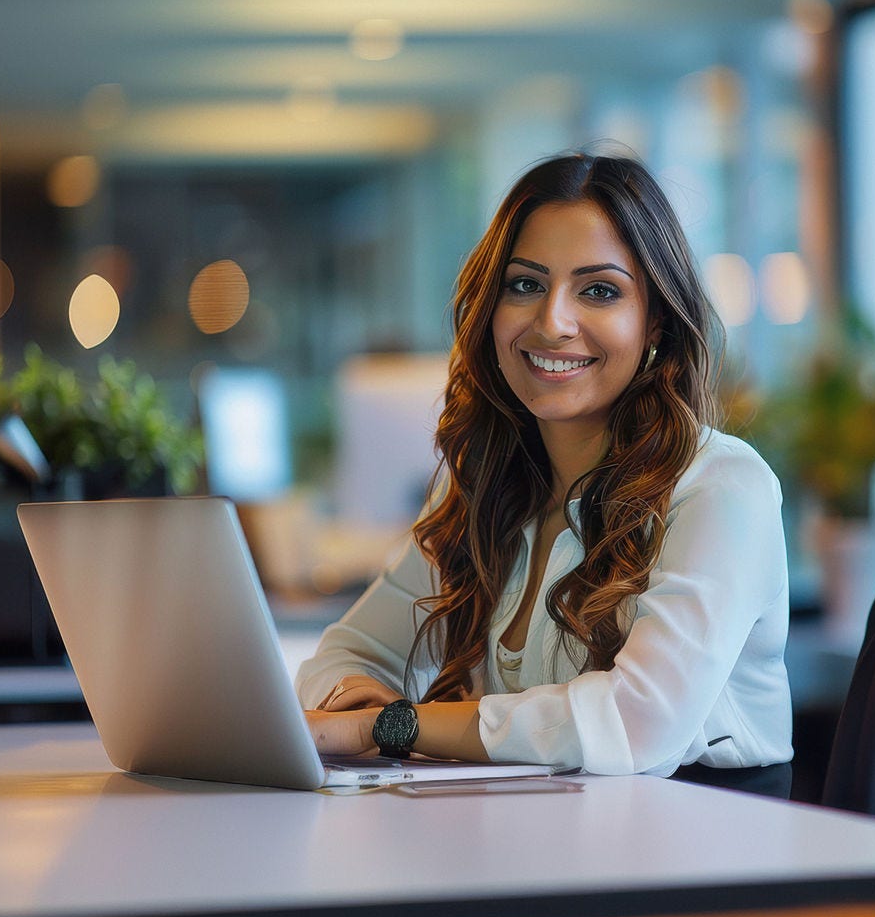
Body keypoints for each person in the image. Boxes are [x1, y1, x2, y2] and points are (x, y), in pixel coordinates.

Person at [296, 150, 792, 797]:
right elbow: (343, 656)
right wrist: (359, 703)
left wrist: (392, 727)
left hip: (696, 859)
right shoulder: (482, 487)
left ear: (657, 324)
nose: (552, 322)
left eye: (599, 291)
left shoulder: (722, 486)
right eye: (525, 284)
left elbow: (634, 723)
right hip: (531, 841)